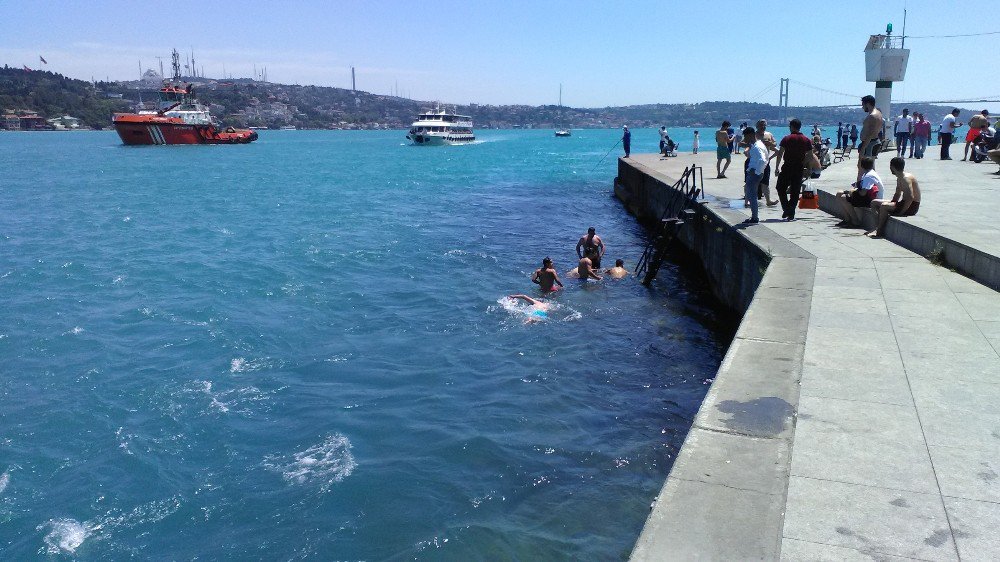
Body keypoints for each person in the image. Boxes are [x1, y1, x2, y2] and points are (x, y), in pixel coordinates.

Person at [867, 157, 920, 238]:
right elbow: (897, 194)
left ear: (892, 167)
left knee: (884, 206)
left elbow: (910, 197)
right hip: (904, 203)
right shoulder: (900, 177)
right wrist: (892, 203)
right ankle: (876, 227)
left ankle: (879, 231)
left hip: (911, 207)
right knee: (874, 203)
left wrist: (901, 212)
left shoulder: (905, 179)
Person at [771, 118, 813, 221]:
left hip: (788, 166)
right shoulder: (806, 139)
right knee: (795, 190)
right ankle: (791, 212)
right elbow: (810, 155)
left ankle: (786, 208)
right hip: (799, 167)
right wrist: (807, 167)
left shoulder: (787, 138)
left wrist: (776, 167)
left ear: (792, 127)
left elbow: (780, 153)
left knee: (780, 187)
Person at [834, 156, 883, 228]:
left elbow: (863, 193)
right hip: (868, 196)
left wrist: (852, 192)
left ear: (862, 166)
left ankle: (855, 221)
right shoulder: (868, 173)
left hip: (873, 199)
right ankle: (847, 219)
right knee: (839, 193)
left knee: (844, 198)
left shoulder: (869, 176)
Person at [742, 127, 767, 224]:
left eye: (745, 136)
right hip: (754, 172)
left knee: (752, 196)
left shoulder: (757, 146)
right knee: (750, 195)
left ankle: (754, 217)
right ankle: (754, 216)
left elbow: (763, 160)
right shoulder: (757, 145)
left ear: (751, 135)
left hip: (754, 173)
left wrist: (757, 172)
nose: (745, 139)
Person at [754, 119, 780, 207]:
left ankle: (768, 200)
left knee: (765, 181)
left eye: (764, 125)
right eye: (761, 125)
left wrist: (770, 143)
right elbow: (746, 143)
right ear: (757, 126)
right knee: (753, 181)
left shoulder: (769, 134)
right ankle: (749, 198)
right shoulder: (754, 135)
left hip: (765, 162)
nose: (763, 127)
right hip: (755, 162)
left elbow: (775, 143)